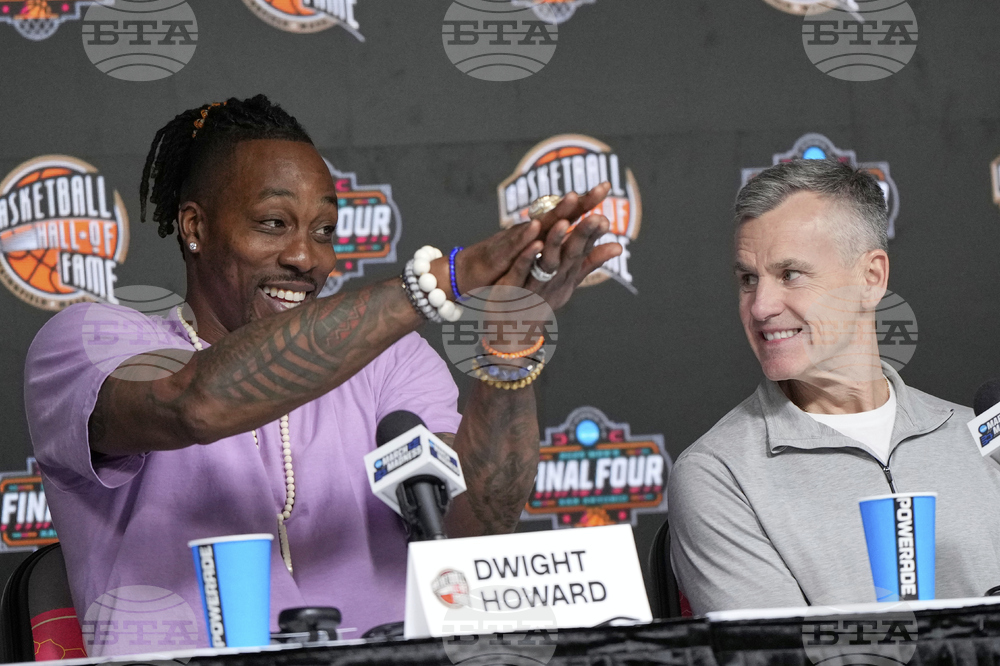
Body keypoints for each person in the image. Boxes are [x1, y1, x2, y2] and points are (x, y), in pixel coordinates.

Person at [23, 94, 622, 654]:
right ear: (195, 227)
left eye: (324, 230)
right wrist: (441, 282)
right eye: (273, 223)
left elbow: (473, 536)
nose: (306, 257)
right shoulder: (91, 341)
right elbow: (194, 404)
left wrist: (509, 348)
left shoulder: (393, 360)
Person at [668, 159, 1000, 615]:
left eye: (790, 274)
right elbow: (780, 648)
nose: (760, 307)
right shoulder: (719, 474)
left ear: (871, 278)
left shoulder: (980, 436)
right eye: (748, 279)